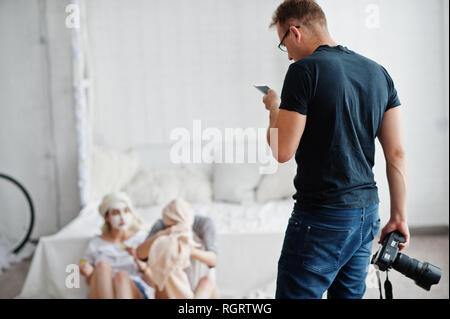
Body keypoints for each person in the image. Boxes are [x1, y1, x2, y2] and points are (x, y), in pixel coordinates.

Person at [263, 0, 410, 299]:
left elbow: (282, 150)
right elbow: (396, 154)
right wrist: (399, 215)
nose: (288, 55)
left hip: (322, 216)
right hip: (367, 212)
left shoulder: (303, 72)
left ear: (295, 32)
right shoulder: (378, 73)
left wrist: (273, 109)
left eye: (283, 44)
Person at [135, 198, 219, 299]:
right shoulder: (161, 226)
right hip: (171, 287)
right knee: (161, 284)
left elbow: (213, 260)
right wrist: (165, 233)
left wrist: (189, 250)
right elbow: (140, 254)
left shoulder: (203, 224)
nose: (176, 229)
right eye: (171, 225)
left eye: (178, 224)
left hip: (201, 286)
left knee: (207, 282)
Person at [79, 192, 155, 299]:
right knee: (102, 265)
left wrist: (139, 262)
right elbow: (84, 265)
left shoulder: (142, 239)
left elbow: (154, 282)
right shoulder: (96, 242)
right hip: (102, 290)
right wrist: (87, 270)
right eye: (115, 213)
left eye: (126, 211)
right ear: (107, 217)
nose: (122, 217)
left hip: (132, 288)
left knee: (121, 276)